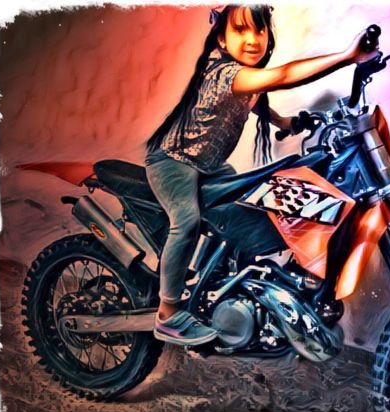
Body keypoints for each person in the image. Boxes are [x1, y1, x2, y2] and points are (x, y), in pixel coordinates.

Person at [145, 4, 378, 346]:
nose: (252, 39)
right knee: (187, 222)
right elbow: (282, 76)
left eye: (259, 30)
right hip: (173, 162)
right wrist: (346, 57)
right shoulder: (226, 74)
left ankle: (222, 284)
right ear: (221, 39)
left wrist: (286, 123)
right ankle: (167, 312)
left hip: (208, 166)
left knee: (239, 212)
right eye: (240, 30)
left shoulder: (245, 79)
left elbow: (254, 104)